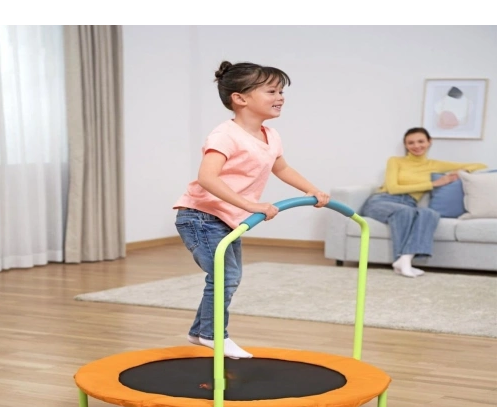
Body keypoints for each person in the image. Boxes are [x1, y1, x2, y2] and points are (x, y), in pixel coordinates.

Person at [173, 60, 330, 359]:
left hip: (227, 220)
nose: (280, 97)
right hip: (201, 216)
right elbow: (207, 177)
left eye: (281, 91)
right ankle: (211, 334)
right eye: (271, 91)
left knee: (229, 276)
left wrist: (311, 189)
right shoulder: (225, 135)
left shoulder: (271, 136)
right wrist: (251, 205)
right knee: (226, 275)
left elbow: (281, 168)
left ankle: (199, 331)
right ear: (240, 98)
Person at [361, 127, 486, 278]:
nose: (416, 146)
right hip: (382, 200)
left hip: (409, 204)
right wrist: (434, 184)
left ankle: (405, 259)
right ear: (406, 145)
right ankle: (402, 262)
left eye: (421, 141)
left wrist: (460, 172)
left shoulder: (434, 164)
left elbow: (480, 166)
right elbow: (393, 188)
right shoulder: (395, 161)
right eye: (411, 143)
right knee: (405, 212)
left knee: (430, 213)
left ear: (429, 142)